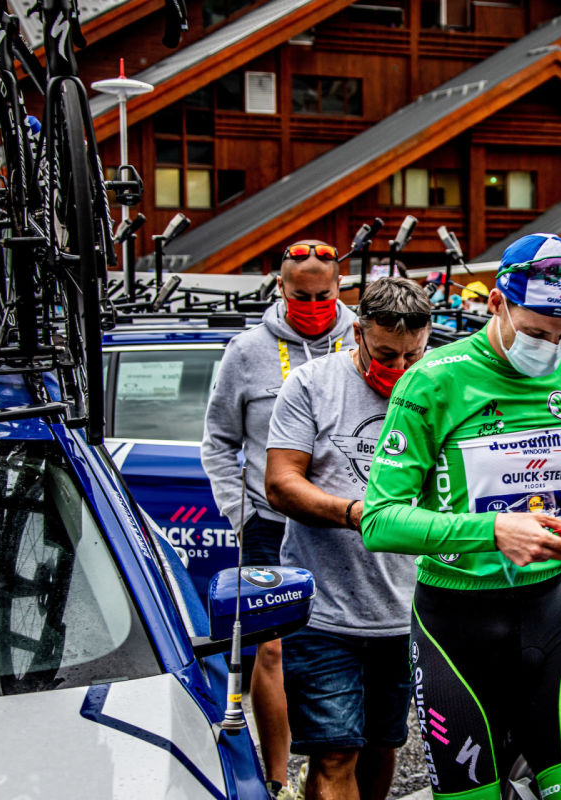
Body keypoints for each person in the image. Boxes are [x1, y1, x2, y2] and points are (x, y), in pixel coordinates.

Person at [361, 233, 561, 800]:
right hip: (454, 627)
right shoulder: (433, 379)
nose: (550, 350)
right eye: (535, 333)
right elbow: (380, 520)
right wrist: (493, 530)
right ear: (496, 304)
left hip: (546, 616)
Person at [264, 277, 430, 800]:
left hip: (405, 610)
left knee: (383, 745)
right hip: (324, 611)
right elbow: (280, 483)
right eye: (386, 354)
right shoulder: (312, 383)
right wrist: (358, 514)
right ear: (358, 333)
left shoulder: (437, 384)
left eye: (412, 355)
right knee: (336, 752)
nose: (399, 367)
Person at [202, 239, 355, 800]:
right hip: (269, 520)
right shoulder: (246, 351)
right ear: (279, 288)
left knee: (345, 640)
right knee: (272, 646)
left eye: (322, 295)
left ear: (339, 287)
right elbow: (218, 441)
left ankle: (335, 762)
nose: (312, 305)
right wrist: (238, 514)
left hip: (344, 520)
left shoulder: (363, 340)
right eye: (300, 296)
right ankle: (276, 776)